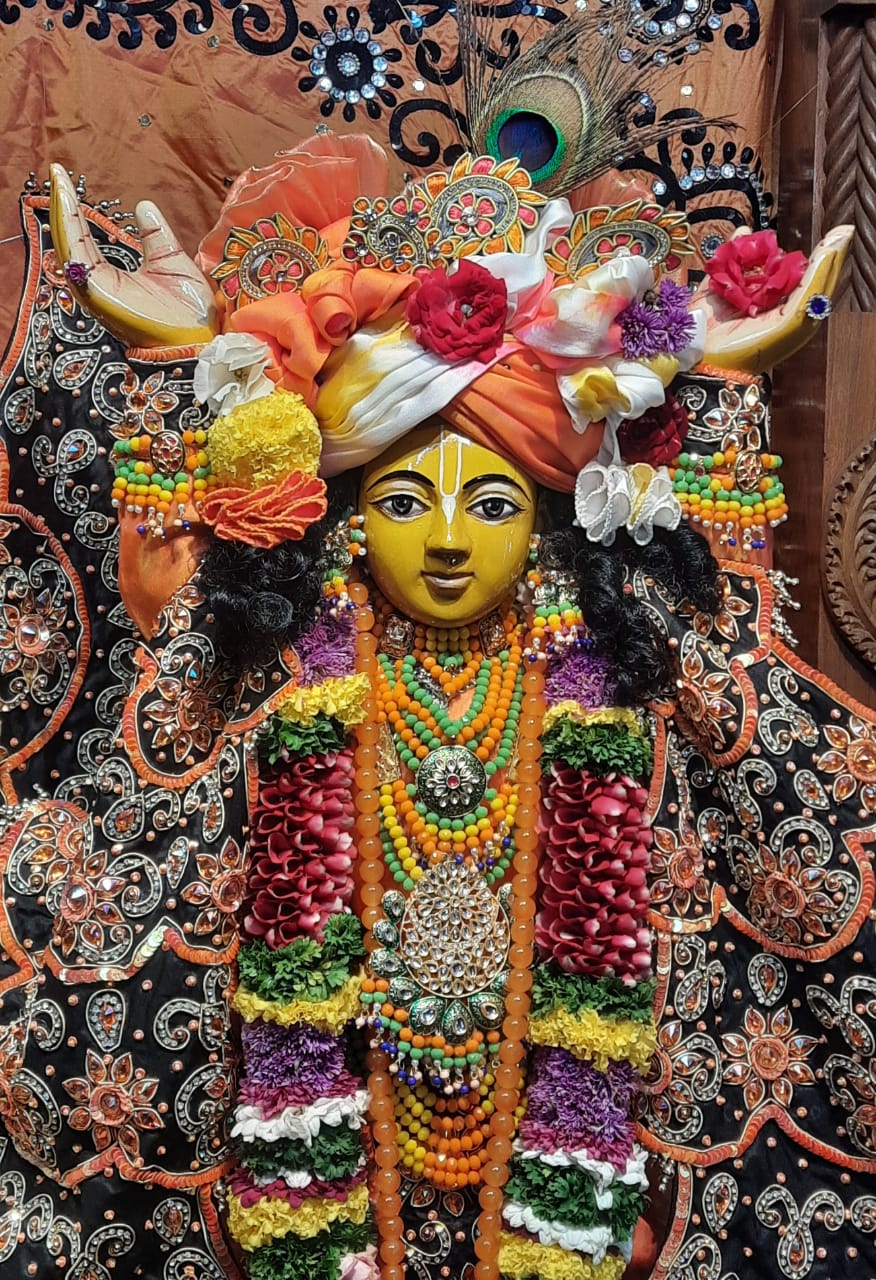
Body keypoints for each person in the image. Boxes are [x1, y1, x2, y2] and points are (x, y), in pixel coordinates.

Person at [0, 12, 870, 1280]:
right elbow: (150, 755)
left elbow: (777, 753)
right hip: (321, 1174)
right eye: (406, 499)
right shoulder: (285, 661)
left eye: (495, 500)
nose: (450, 540)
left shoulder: (624, 672)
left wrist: (712, 386)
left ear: (554, 517)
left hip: (580, 1174)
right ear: (350, 519)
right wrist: (178, 366)